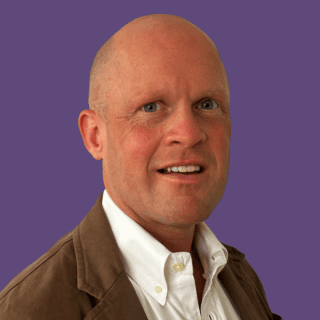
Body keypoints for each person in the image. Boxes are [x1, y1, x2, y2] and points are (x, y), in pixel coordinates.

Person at [0, 14, 282, 320]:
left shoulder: (238, 276)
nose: (188, 133)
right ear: (95, 136)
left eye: (207, 104)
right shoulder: (31, 310)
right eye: (151, 107)